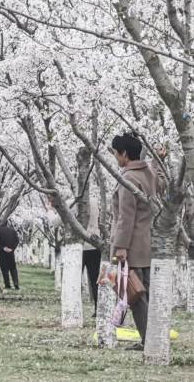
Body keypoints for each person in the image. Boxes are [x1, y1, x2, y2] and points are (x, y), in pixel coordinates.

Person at [110, 133, 166, 351]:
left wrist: (120, 247)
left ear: (124, 154)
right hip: (148, 243)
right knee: (145, 293)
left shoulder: (129, 179)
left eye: (116, 153)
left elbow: (126, 217)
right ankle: (153, 337)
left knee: (135, 296)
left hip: (131, 245)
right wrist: (159, 161)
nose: (115, 157)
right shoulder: (149, 172)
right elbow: (162, 185)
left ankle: (148, 340)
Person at [82, 197, 101, 317]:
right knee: (95, 280)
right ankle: (98, 308)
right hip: (95, 244)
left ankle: (73, 307)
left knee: (74, 277)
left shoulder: (73, 202)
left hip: (80, 245)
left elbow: (56, 222)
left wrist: (50, 210)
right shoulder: (95, 201)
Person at [0, 220, 20, 290]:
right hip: (11, 252)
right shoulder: (12, 231)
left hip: (2, 252)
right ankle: (16, 283)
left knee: (4, 269)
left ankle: (7, 284)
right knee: (13, 268)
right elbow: (17, 241)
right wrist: (12, 248)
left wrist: (3, 248)